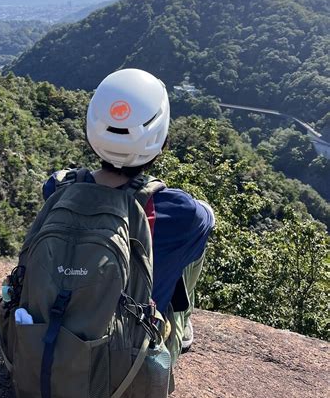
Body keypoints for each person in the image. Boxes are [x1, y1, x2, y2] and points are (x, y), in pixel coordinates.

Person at [42, 67, 215, 373]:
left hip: (49, 346)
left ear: (89, 132)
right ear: (161, 142)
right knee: (191, 245)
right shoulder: (179, 212)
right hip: (127, 368)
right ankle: (181, 325)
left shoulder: (58, 188)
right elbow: (207, 218)